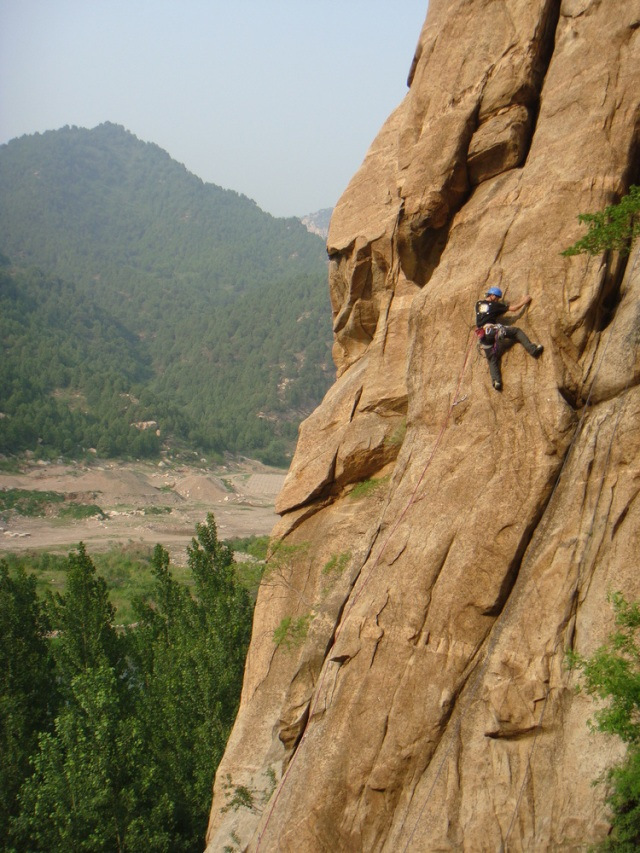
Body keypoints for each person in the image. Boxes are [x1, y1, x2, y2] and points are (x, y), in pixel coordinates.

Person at [475, 286, 543, 391]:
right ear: (492, 296)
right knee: (516, 331)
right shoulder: (495, 305)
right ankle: (533, 350)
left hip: (483, 335)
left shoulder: (478, 304)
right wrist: (524, 301)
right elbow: (513, 309)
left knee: (492, 358)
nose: (497, 300)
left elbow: (486, 310)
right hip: (492, 331)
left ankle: (496, 382)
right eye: (497, 298)